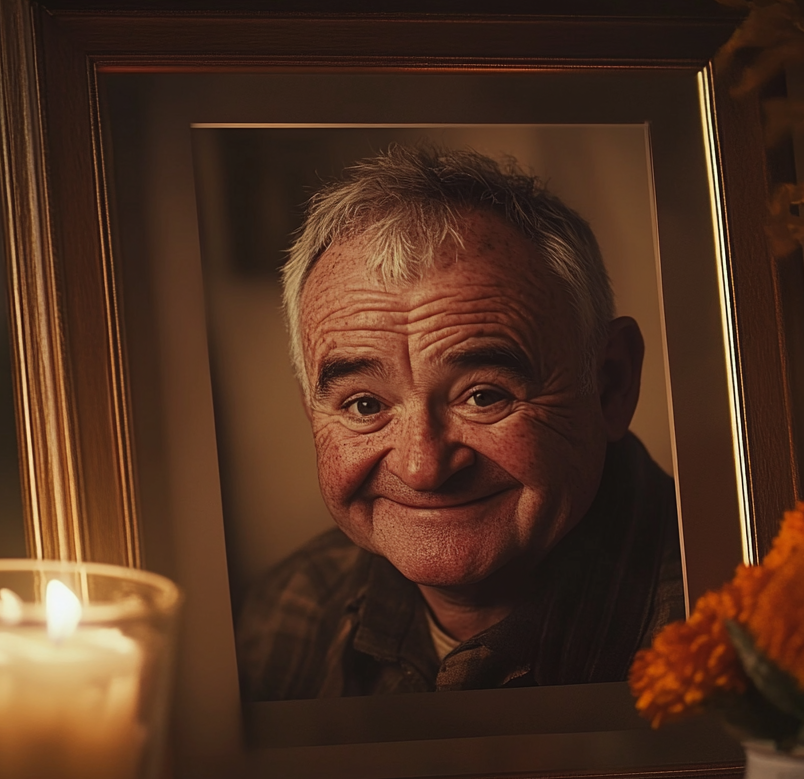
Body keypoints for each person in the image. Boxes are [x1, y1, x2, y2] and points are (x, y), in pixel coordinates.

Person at [235, 145, 684, 701]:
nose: (423, 468)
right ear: (313, 412)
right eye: (366, 406)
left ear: (611, 385)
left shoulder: (761, 630)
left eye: (483, 396)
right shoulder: (285, 614)